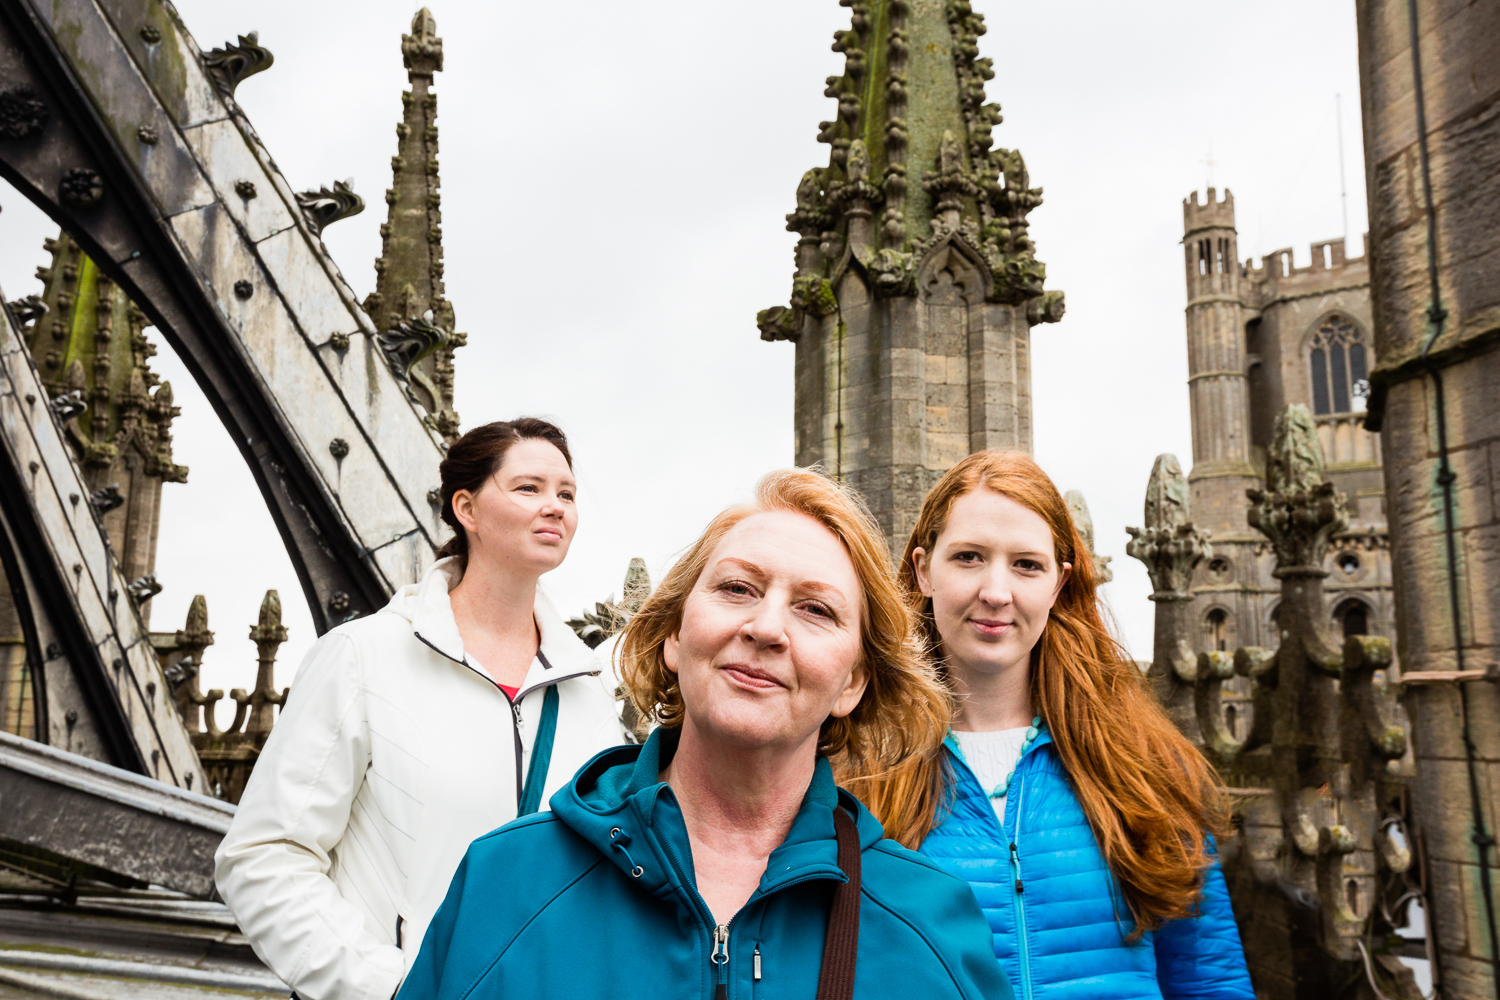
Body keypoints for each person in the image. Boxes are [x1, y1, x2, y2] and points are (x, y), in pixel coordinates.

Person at [397, 469, 1013, 1000]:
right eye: (737, 588)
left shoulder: (927, 926)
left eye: (816, 609)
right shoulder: (508, 882)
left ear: (853, 683)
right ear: (673, 634)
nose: (767, 627)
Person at [215, 418, 626, 1000]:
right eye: (528, 488)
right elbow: (262, 857)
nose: (555, 507)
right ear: (467, 507)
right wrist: (395, 988)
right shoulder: (362, 658)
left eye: (567, 494)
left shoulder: (590, 697)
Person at [842, 451, 1254, 1000]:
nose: (996, 591)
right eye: (968, 557)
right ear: (923, 570)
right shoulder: (853, 772)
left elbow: (1208, 980)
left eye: (1026, 565)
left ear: (1058, 584)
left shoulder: (1142, 766)